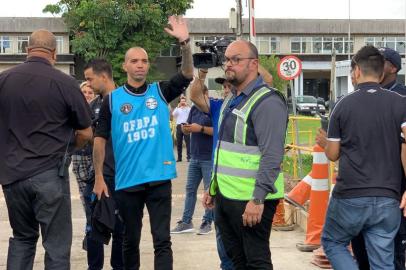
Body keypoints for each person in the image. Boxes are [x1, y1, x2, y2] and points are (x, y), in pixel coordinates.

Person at [92, 15, 193, 270]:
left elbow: (187, 74)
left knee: (162, 241)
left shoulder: (159, 91)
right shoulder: (112, 100)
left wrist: (185, 43)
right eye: (134, 61)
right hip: (127, 182)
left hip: (159, 178)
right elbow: (99, 140)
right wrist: (99, 178)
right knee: (129, 241)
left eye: (144, 61)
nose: (140, 65)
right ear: (125, 66)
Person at [0, 29, 93, 269]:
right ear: (54, 53)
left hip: (12, 177)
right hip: (50, 175)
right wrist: (68, 149)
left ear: (27, 50)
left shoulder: (4, 80)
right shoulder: (66, 83)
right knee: (57, 247)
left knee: (22, 239)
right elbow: (85, 132)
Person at [199, 40, 288, 269]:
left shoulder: (267, 101)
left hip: (251, 200)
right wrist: (212, 187)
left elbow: (272, 156)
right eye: (227, 59)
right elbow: (224, 151)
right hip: (227, 196)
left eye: (236, 59)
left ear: (254, 64)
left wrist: (257, 199)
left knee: (256, 262)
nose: (229, 64)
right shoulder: (233, 98)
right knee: (237, 261)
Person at [316, 45, 406, 270]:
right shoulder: (400, 104)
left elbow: (334, 155)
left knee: (333, 241)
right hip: (388, 198)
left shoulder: (342, 105)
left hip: (350, 196)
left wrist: (325, 144)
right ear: (381, 73)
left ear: (356, 71)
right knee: (383, 259)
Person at [348, 47, 406, 270]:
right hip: (364, 192)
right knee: (362, 252)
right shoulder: (362, 99)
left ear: (391, 68)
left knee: (389, 256)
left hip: (393, 192)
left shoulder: (400, 98)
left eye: (380, 61)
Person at [83, 59, 124, 270]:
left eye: (90, 79)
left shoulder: (125, 101)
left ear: (104, 76)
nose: (88, 85)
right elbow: (88, 137)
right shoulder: (93, 106)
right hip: (100, 176)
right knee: (95, 228)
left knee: (122, 230)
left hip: (124, 176)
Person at [171, 85, 214, 235]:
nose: (194, 99)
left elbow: (218, 131)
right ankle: (186, 221)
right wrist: (186, 129)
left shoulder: (212, 108)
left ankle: (207, 222)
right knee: (190, 190)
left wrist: (200, 128)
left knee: (210, 192)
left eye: (197, 95)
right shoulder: (194, 109)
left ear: (205, 94)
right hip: (195, 157)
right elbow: (189, 125)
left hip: (209, 158)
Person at [72, 81, 96, 210]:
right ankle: (89, 223)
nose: (87, 95)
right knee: (84, 195)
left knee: (94, 192)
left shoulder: (98, 109)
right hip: (79, 156)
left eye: (90, 92)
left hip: (95, 155)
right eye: (84, 92)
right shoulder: (75, 109)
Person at [172, 96, 191, 162]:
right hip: (179, 126)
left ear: (185, 101)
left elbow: (191, 113)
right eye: (181, 101)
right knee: (179, 142)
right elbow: (173, 114)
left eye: (184, 101)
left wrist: (187, 106)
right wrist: (178, 107)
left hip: (186, 126)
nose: (183, 103)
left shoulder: (188, 109)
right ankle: (179, 158)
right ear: (180, 102)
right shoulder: (178, 109)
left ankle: (189, 157)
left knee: (188, 142)